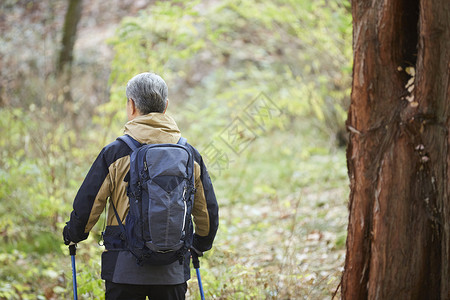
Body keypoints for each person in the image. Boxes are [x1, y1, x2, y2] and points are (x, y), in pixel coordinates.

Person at [63, 72, 219, 300]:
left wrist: (74, 233)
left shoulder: (115, 153)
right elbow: (207, 210)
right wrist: (201, 243)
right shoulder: (190, 155)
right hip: (172, 270)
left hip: (123, 270)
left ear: (131, 105)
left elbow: (89, 203)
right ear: (165, 106)